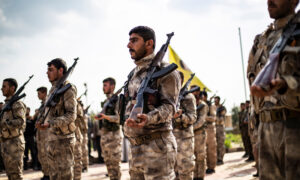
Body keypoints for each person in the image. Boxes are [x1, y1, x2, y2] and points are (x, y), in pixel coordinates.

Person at [248, 0, 300, 179]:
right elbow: (252, 81)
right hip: (266, 132)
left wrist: (286, 85)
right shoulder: (261, 40)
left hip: (295, 129)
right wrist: (256, 132)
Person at [124, 26, 180, 179]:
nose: (129, 45)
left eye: (134, 41)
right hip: (135, 147)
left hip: (157, 148)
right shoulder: (133, 74)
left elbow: (170, 108)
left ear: (149, 44)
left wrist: (148, 118)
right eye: (129, 41)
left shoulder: (167, 71)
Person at [36, 58, 77, 180]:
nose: (47, 73)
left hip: (64, 140)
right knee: (53, 176)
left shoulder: (68, 88)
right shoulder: (53, 90)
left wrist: (50, 123)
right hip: (52, 140)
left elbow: (71, 115)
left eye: (51, 70)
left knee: (64, 176)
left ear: (60, 70)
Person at [95, 77, 122, 179]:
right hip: (105, 136)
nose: (103, 88)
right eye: (103, 85)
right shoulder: (106, 101)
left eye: (105, 85)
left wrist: (105, 116)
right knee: (108, 164)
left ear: (112, 86)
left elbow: (119, 118)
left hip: (114, 136)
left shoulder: (117, 100)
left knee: (115, 165)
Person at [0, 78, 26, 179]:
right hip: (6, 143)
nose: (1, 89)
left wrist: (4, 123)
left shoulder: (17, 103)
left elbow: (21, 122)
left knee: (16, 175)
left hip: (15, 143)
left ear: (12, 88)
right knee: (10, 175)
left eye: (4, 86)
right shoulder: (6, 104)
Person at [172, 73, 196, 179]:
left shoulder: (188, 97)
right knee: (172, 171)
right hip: (171, 139)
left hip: (184, 139)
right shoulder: (168, 96)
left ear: (181, 81)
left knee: (185, 171)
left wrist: (180, 116)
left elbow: (193, 117)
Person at [192, 87, 208, 180]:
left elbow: (201, 121)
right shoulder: (189, 103)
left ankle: (200, 176)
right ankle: (195, 176)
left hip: (199, 134)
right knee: (192, 156)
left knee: (200, 156)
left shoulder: (203, 105)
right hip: (191, 135)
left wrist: (190, 127)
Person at [34, 86, 50, 180]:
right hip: (40, 133)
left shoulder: (48, 103)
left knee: (46, 155)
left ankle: (49, 174)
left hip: (46, 133)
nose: (37, 96)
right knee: (41, 155)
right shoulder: (42, 105)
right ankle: (45, 174)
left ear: (44, 93)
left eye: (39, 93)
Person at [201, 91, 217, 174]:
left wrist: (203, 117)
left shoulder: (211, 105)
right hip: (202, 129)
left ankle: (212, 167)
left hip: (210, 128)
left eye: (203, 96)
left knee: (211, 149)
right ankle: (206, 167)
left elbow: (213, 118)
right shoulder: (200, 105)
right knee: (203, 150)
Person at [214, 96, 226, 165]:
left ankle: (220, 159)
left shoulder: (222, 108)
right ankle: (216, 159)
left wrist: (215, 118)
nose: (215, 101)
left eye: (216, 100)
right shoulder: (212, 107)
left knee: (220, 144)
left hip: (220, 127)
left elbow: (221, 119)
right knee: (215, 144)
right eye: (214, 100)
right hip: (214, 127)